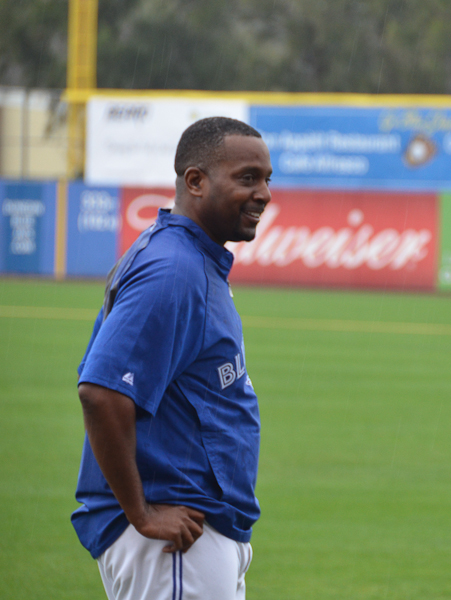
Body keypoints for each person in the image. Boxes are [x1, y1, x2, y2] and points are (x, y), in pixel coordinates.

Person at [73, 116, 272, 600]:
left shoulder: (191, 259)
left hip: (198, 532)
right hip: (174, 540)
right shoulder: (173, 269)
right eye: (247, 178)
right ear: (195, 181)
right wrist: (141, 512)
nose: (264, 193)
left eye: (267, 179)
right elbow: (101, 393)